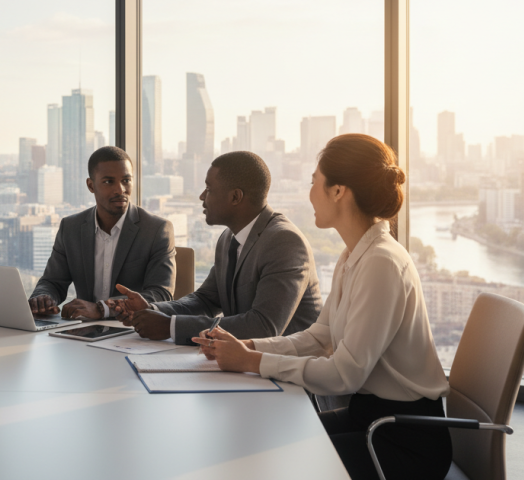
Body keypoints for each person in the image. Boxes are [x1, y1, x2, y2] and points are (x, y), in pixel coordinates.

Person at [193, 134, 452, 480]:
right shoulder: (355, 255)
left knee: (278, 465)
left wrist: (252, 361)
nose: (310, 192)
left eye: (314, 181)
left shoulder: (382, 263)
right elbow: (320, 336)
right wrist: (248, 347)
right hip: (370, 419)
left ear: (338, 191)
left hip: (402, 438)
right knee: (265, 442)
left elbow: (345, 374)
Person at [115, 151, 322, 344]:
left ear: (235, 197)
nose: (202, 196)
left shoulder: (284, 242)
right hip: (247, 364)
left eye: (209, 189)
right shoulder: (228, 238)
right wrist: (152, 309)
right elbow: (205, 300)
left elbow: (264, 327)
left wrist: (170, 327)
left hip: (287, 371)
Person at [28, 146, 175, 320]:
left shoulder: (156, 230)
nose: (120, 190)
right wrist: (43, 298)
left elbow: (161, 294)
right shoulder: (71, 227)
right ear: (91, 185)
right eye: (108, 182)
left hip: (133, 332)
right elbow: (52, 282)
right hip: (83, 330)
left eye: (126, 180)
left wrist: (102, 308)